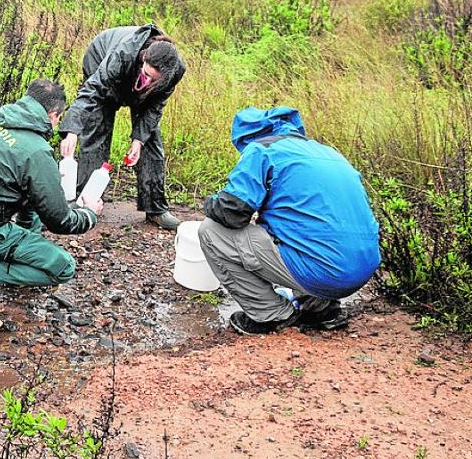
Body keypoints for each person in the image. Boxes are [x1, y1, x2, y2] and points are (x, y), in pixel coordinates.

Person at [199, 106, 381, 336]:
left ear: (247, 137)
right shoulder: (330, 153)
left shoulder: (262, 149)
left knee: (211, 231)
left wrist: (210, 203)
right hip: (363, 268)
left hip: (322, 271)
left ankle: (271, 314)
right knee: (298, 229)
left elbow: (231, 212)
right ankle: (323, 310)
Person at [0, 79, 104, 312]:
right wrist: (89, 214)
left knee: (27, 193)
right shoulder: (36, 151)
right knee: (64, 268)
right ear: (53, 115)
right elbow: (60, 221)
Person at [59, 24, 186, 229]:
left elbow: (154, 108)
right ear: (144, 58)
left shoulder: (175, 70)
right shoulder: (124, 54)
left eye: (153, 80)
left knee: (151, 140)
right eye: (146, 74)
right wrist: (72, 129)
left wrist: (138, 140)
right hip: (101, 58)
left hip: (140, 86)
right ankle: (85, 202)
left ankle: (155, 208)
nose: (146, 81)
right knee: (97, 130)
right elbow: (93, 90)